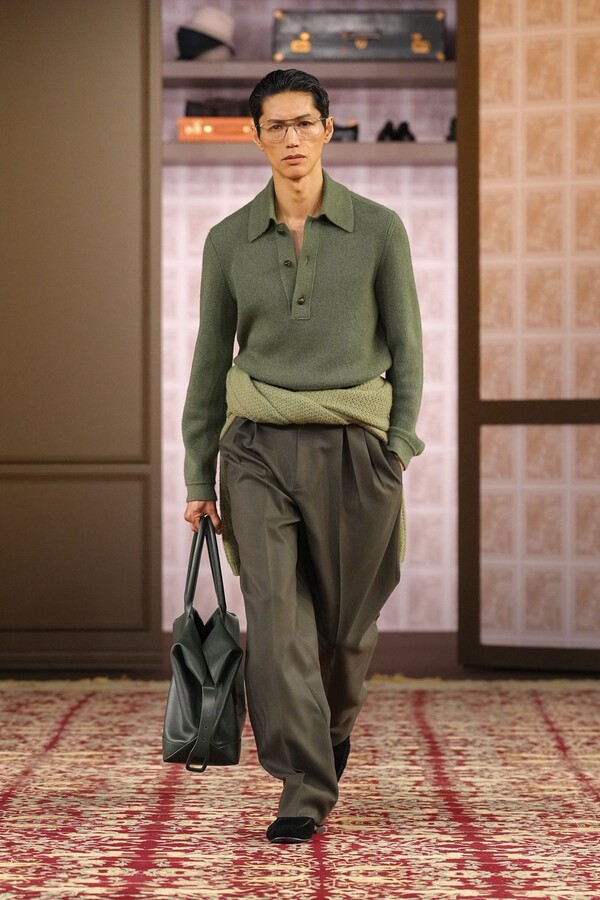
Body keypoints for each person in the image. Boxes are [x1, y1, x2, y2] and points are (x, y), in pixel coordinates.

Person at [182, 68, 424, 844]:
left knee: (346, 634)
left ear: (328, 128)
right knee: (277, 621)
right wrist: (198, 475)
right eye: (276, 125)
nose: (291, 138)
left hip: (357, 450)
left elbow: (409, 350)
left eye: (304, 123)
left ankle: (330, 729)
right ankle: (303, 785)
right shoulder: (229, 241)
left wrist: (397, 448)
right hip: (255, 450)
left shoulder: (379, 230)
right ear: (255, 136)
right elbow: (209, 361)